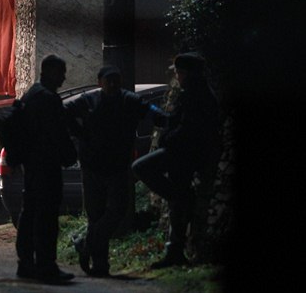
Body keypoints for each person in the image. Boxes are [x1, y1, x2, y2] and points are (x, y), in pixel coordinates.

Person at [64, 65, 167, 277]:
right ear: (100, 82)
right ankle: (101, 265)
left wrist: (168, 119)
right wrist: (80, 134)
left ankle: (86, 244)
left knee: (118, 211)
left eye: (116, 80)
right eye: (108, 80)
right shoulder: (89, 100)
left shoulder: (129, 100)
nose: (112, 84)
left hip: (118, 167)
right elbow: (65, 113)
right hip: (92, 166)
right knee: (96, 214)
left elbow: (151, 112)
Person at [131, 52, 220, 269]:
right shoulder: (194, 92)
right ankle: (175, 250)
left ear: (186, 73)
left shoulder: (196, 94)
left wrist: (166, 138)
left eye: (179, 72)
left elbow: (188, 128)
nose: (177, 77)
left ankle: (180, 200)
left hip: (184, 154)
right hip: (185, 153)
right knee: (177, 201)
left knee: (141, 167)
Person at [15, 54, 77, 282]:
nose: (63, 78)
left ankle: (26, 263)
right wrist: (70, 155)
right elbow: (57, 133)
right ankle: (46, 266)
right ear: (50, 72)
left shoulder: (31, 94)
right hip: (46, 165)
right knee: (46, 217)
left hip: (31, 165)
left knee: (30, 213)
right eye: (61, 73)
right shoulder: (48, 99)